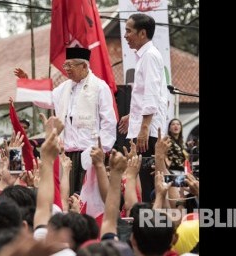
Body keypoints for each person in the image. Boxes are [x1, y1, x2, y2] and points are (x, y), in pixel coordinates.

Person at [14, 47, 117, 195]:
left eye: (70, 65)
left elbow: (109, 122)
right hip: (66, 156)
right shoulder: (64, 88)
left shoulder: (100, 87)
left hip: (90, 153)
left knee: (87, 198)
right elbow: (45, 99)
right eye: (65, 65)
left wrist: (101, 150)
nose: (66, 69)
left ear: (84, 66)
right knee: (67, 198)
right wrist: (28, 82)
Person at [118, 13, 169, 202]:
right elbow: (145, 95)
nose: (125, 36)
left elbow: (151, 95)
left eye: (128, 31)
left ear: (142, 33)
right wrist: (133, 115)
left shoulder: (150, 56)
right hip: (143, 127)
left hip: (147, 132)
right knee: (142, 180)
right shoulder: (145, 56)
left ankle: (151, 225)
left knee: (148, 183)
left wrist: (144, 128)